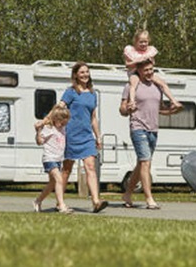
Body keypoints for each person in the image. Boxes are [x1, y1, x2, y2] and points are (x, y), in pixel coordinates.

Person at [120, 58, 180, 210]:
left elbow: (158, 109)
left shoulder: (157, 87)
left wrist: (172, 111)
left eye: (151, 70)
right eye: (146, 70)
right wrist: (128, 109)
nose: (149, 73)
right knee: (146, 162)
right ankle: (149, 199)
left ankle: (127, 194)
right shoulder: (131, 86)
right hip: (138, 127)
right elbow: (122, 110)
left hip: (153, 129)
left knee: (141, 163)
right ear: (138, 70)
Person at [58, 61, 109, 213]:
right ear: (75, 75)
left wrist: (98, 137)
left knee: (91, 167)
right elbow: (60, 107)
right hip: (71, 135)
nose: (85, 74)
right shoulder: (71, 92)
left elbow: (93, 117)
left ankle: (95, 201)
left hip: (87, 136)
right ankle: (59, 200)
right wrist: (48, 121)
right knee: (66, 169)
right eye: (82, 72)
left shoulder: (93, 94)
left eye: (87, 72)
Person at [123, 30, 182, 114]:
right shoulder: (131, 51)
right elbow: (127, 65)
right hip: (135, 72)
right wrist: (139, 61)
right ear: (136, 42)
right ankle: (132, 103)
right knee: (133, 84)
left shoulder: (149, 51)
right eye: (141, 42)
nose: (143, 44)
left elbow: (152, 63)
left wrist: (148, 60)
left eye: (145, 42)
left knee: (162, 83)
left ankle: (173, 101)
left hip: (146, 73)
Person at [33, 105, 72, 214]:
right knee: (59, 179)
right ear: (56, 119)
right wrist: (38, 131)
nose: (64, 125)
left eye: (65, 123)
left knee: (52, 184)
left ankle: (38, 201)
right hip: (49, 158)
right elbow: (40, 142)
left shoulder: (62, 129)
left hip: (58, 159)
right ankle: (62, 206)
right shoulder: (49, 129)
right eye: (62, 122)